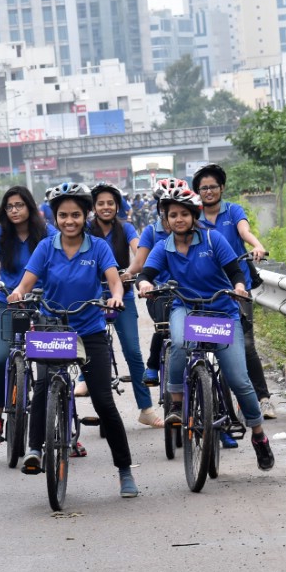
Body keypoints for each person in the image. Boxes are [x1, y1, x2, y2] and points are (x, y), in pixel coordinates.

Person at [7, 182, 139, 498]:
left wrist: (116, 298)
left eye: (76, 215)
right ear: (55, 217)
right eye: (64, 215)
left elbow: (113, 282)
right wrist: (16, 295)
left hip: (90, 327)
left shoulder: (98, 247)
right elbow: (26, 284)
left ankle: (124, 471)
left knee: (104, 401)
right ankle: (35, 449)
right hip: (51, 327)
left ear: (85, 215)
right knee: (42, 386)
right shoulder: (45, 248)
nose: (70, 221)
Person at [135, 184, 274, 472]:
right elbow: (146, 272)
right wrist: (145, 284)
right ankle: (175, 405)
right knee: (177, 342)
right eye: (172, 215)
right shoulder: (163, 247)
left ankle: (259, 434)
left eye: (184, 214)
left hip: (221, 310)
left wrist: (238, 287)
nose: (178, 219)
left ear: (193, 215)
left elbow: (236, 270)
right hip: (185, 307)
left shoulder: (213, 239)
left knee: (238, 379)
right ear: (166, 219)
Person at [192, 163, 277, 430]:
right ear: (198, 192)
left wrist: (257, 245)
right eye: (204, 188)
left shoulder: (233, 211)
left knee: (246, 343)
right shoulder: (193, 217)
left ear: (222, 189)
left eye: (213, 187)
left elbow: (244, 231)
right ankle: (207, 400)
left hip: (237, 286)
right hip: (205, 287)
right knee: (200, 346)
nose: (208, 192)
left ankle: (263, 398)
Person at [0, 185, 55, 446]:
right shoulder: (0, 234)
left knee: (51, 364)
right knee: (0, 358)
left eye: (19, 205)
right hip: (6, 303)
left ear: (30, 207)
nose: (14, 210)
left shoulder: (47, 232)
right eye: (9, 206)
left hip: (42, 303)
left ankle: (59, 424)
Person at [87, 181, 163, 429]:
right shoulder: (85, 230)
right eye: (101, 203)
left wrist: (130, 271)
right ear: (94, 207)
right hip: (91, 295)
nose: (106, 207)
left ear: (117, 205)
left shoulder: (127, 228)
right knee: (85, 351)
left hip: (124, 295)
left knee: (132, 351)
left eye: (110, 203)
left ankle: (146, 409)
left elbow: (139, 251)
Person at [125, 178, 182, 389]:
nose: (172, 214)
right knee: (165, 327)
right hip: (159, 292)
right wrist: (130, 275)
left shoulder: (197, 231)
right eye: (165, 206)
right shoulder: (151, 232)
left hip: (189, 292)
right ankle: (152, 365)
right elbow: (140, 263)